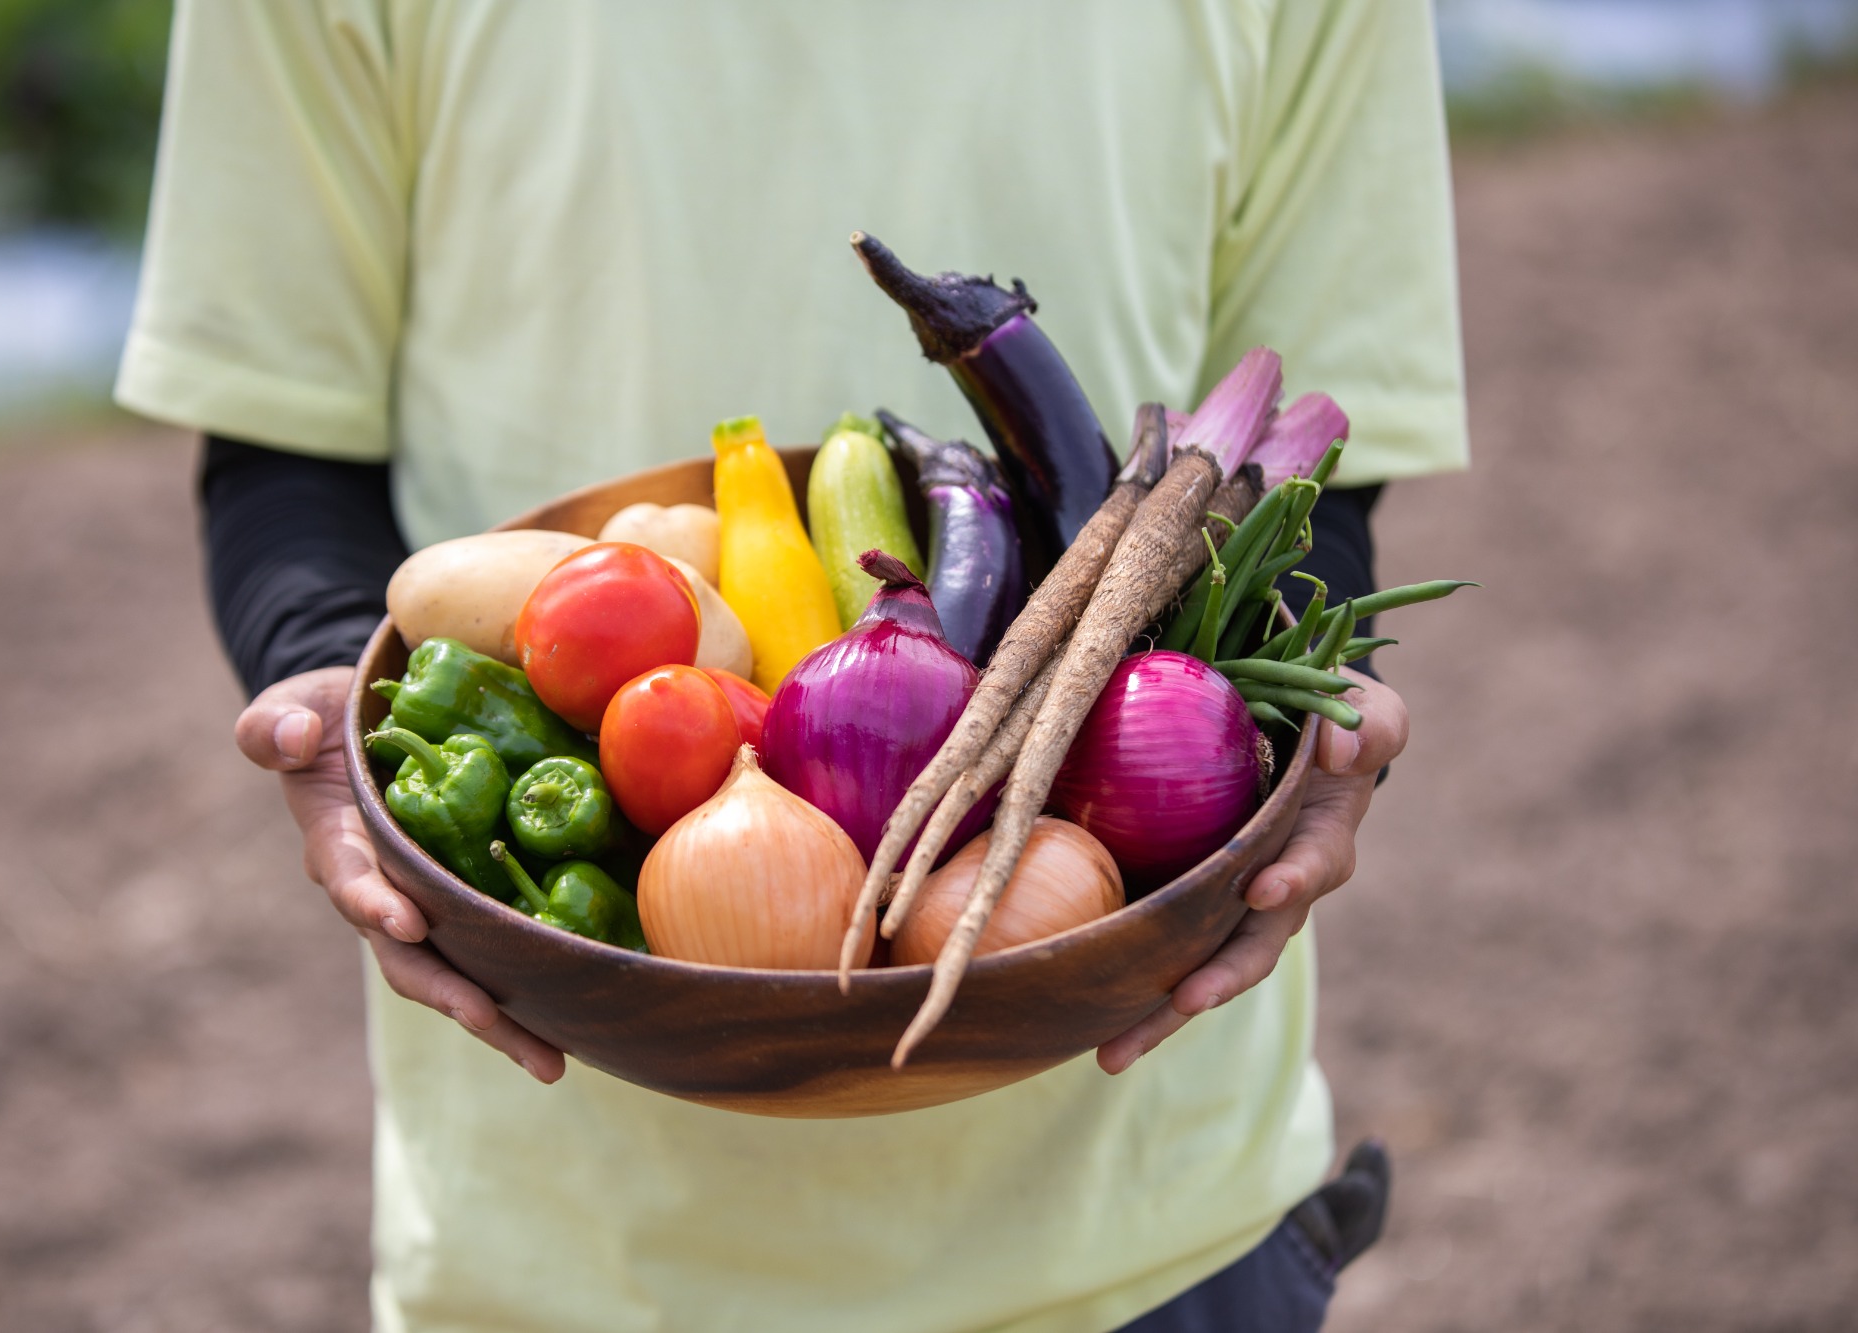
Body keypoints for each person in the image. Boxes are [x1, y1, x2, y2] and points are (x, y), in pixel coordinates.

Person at [116, 3, 1466, 1329]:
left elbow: (1313, 468)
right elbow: (283, 441)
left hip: (1151, 1208)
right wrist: (321, 686)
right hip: (565, 1232)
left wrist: (1284, 740)